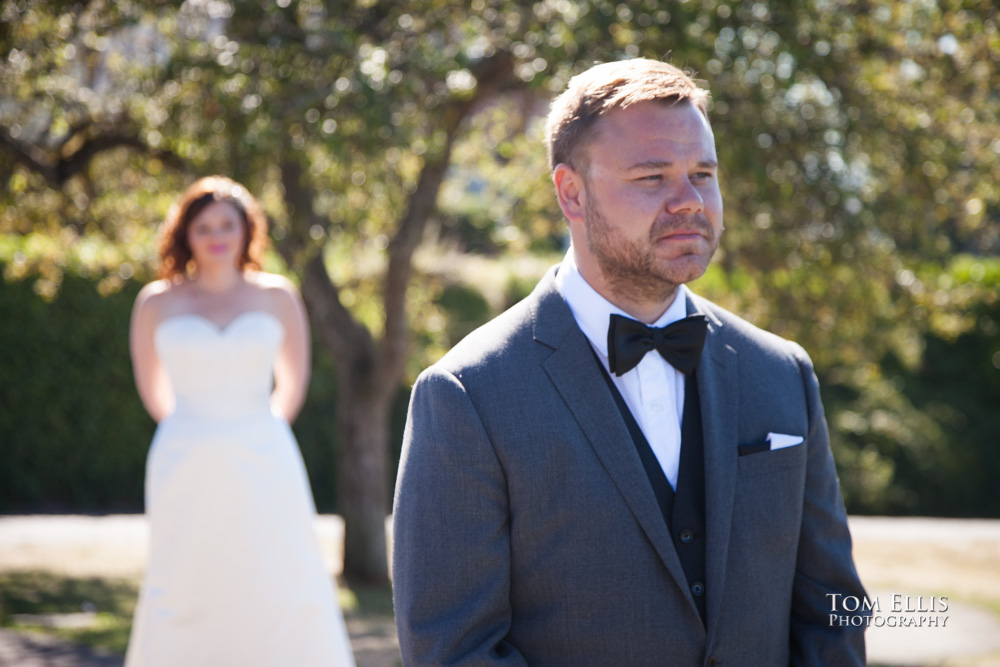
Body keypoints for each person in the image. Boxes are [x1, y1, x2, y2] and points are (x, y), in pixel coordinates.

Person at [392, 59, 868, 665]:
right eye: (652, 177)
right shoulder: (467, 395)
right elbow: (453, 650)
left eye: (703, 173)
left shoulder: (782, 373)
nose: (689, 201)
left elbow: (833, 612)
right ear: (572, 192)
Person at [125, 176, 355, 666]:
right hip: (183, 457)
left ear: (246, 230)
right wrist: (199, 430)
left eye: (227, 224)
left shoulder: (278, 296)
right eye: (204, 226)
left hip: (264, 455)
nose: (216, 236)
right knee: (184, 575)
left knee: (276, 571)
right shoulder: (155, 302)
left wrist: (255, 430)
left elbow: (293, 385)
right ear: (185, 233)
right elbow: (153, 392)